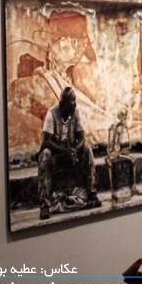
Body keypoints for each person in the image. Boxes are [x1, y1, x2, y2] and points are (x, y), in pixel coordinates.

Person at [38, 87, 100, 220]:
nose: (75, 104)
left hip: (71, 154)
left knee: (88, 149)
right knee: (45, 154)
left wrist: (75, 150)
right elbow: (46, 141)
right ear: (63, 104)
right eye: (72, 101)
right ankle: (44, 204)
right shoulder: (51, 114)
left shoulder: (75, 112)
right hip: (56, 155)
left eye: (75, 100)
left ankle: (92, 194)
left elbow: (82, 138)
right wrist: (64, 151)